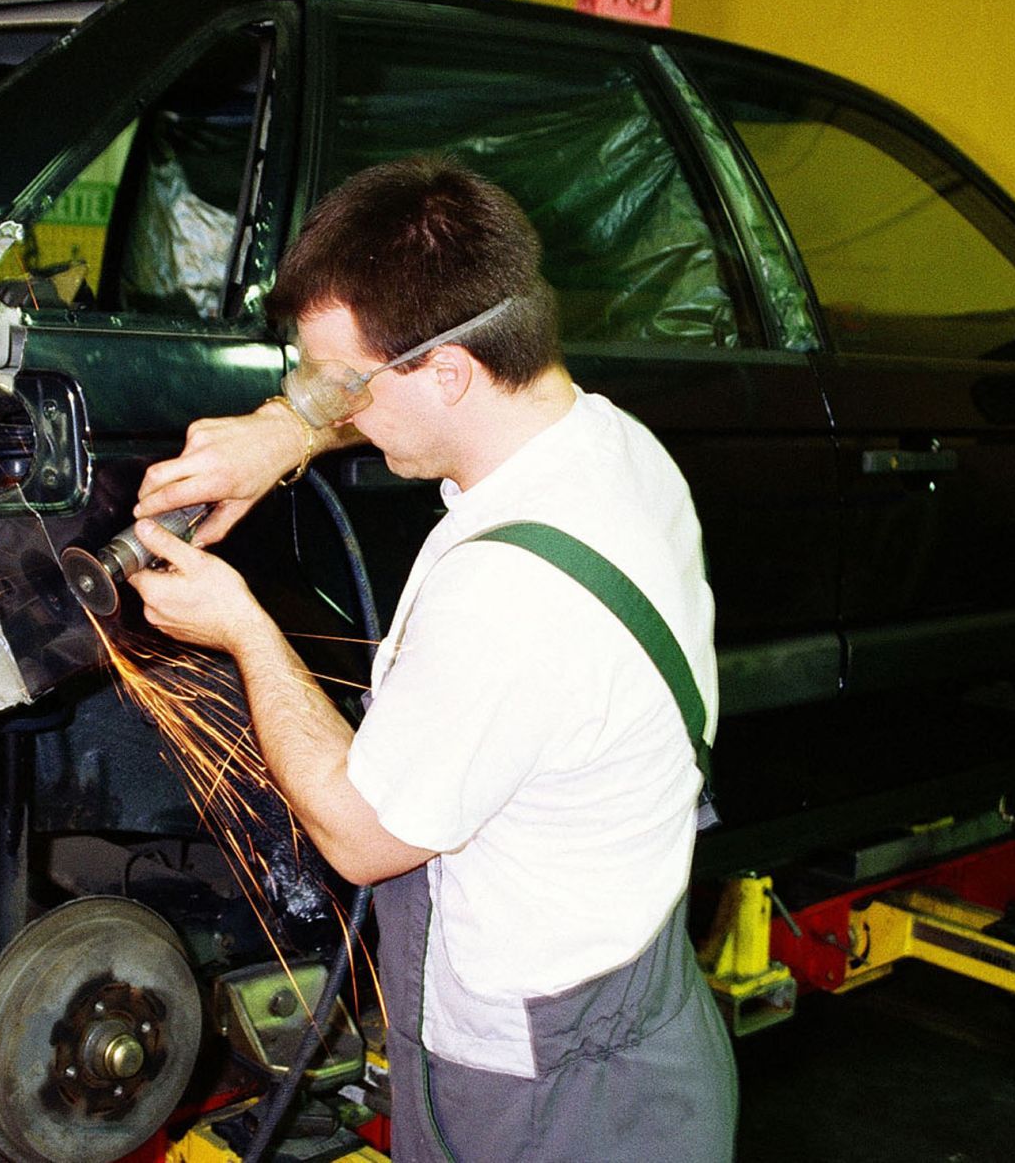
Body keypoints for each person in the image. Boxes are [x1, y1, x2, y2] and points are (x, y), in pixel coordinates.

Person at [127, 156, 737, 1160]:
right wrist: (282, 431)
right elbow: (389, 395)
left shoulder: (512, 597)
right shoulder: (609, 446)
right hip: (626, 997)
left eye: (340, 384)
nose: (333, 406)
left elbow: (362, 839)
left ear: (448, 370)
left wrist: (242, 628)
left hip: (544, 1092)